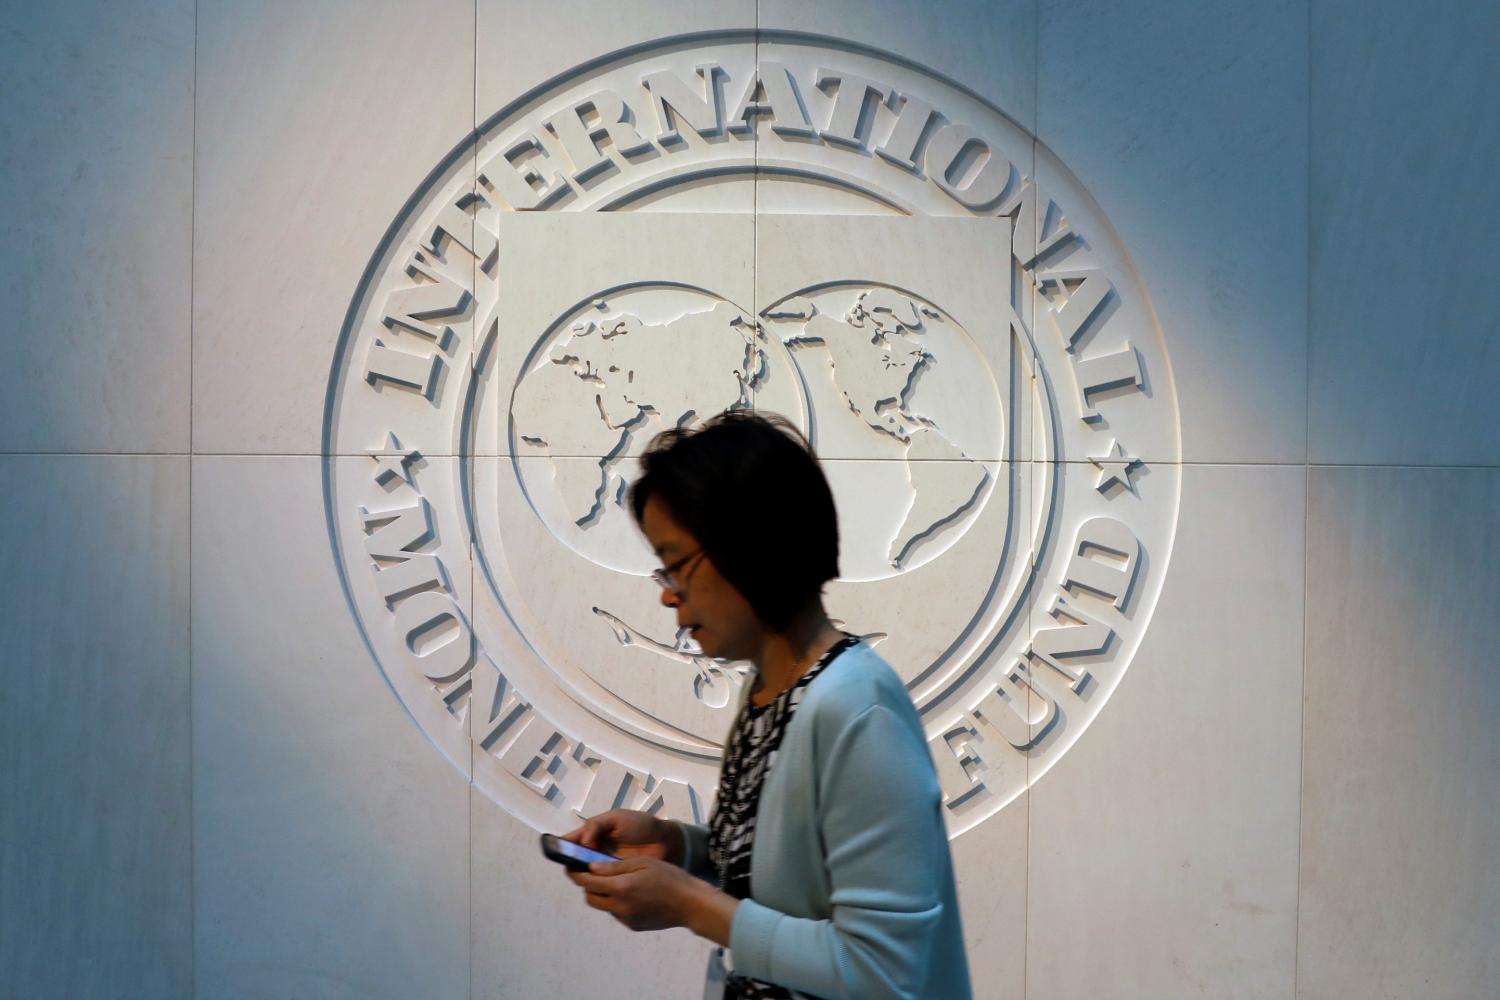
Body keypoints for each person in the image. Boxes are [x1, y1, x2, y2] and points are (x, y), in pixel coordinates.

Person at [561, 411, 972, 1000]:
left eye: (677, 564)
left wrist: (688, 903)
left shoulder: (858, 708)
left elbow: (884, 971)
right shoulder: (772, 693)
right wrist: (678, 847)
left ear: (748, 545)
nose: (666, 592)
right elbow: (791, 881)